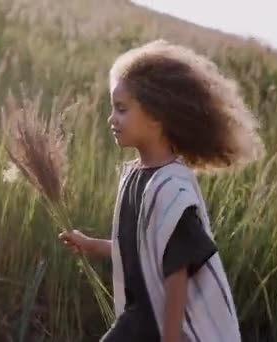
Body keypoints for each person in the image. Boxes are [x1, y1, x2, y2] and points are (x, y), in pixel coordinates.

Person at [59, 40, 264, 342]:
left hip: (163, 328)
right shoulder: (134, 176)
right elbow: (141, 252)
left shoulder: (172, 191)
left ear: (157, 117)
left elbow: (176, 277)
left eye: (122, 109)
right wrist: (91, 245)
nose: (111, 119)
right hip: (138, 319)